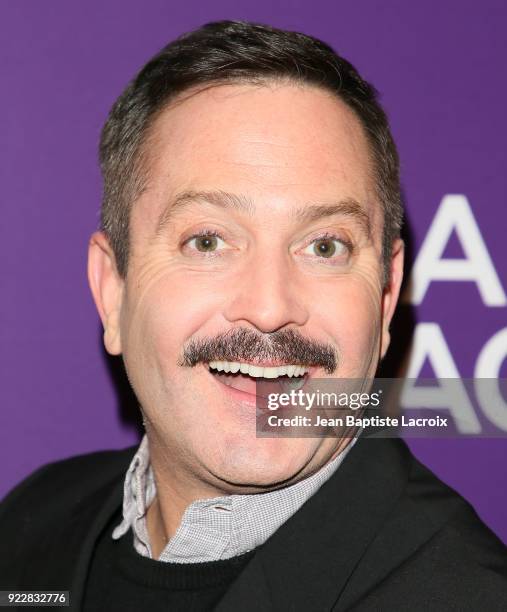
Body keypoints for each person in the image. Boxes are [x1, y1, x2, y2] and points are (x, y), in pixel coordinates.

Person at [1, 19, 506, 612]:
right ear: (113, 289)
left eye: (325, 246)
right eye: (209, 241)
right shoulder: (31, 523)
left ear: (386, 297)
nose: (269, 309)